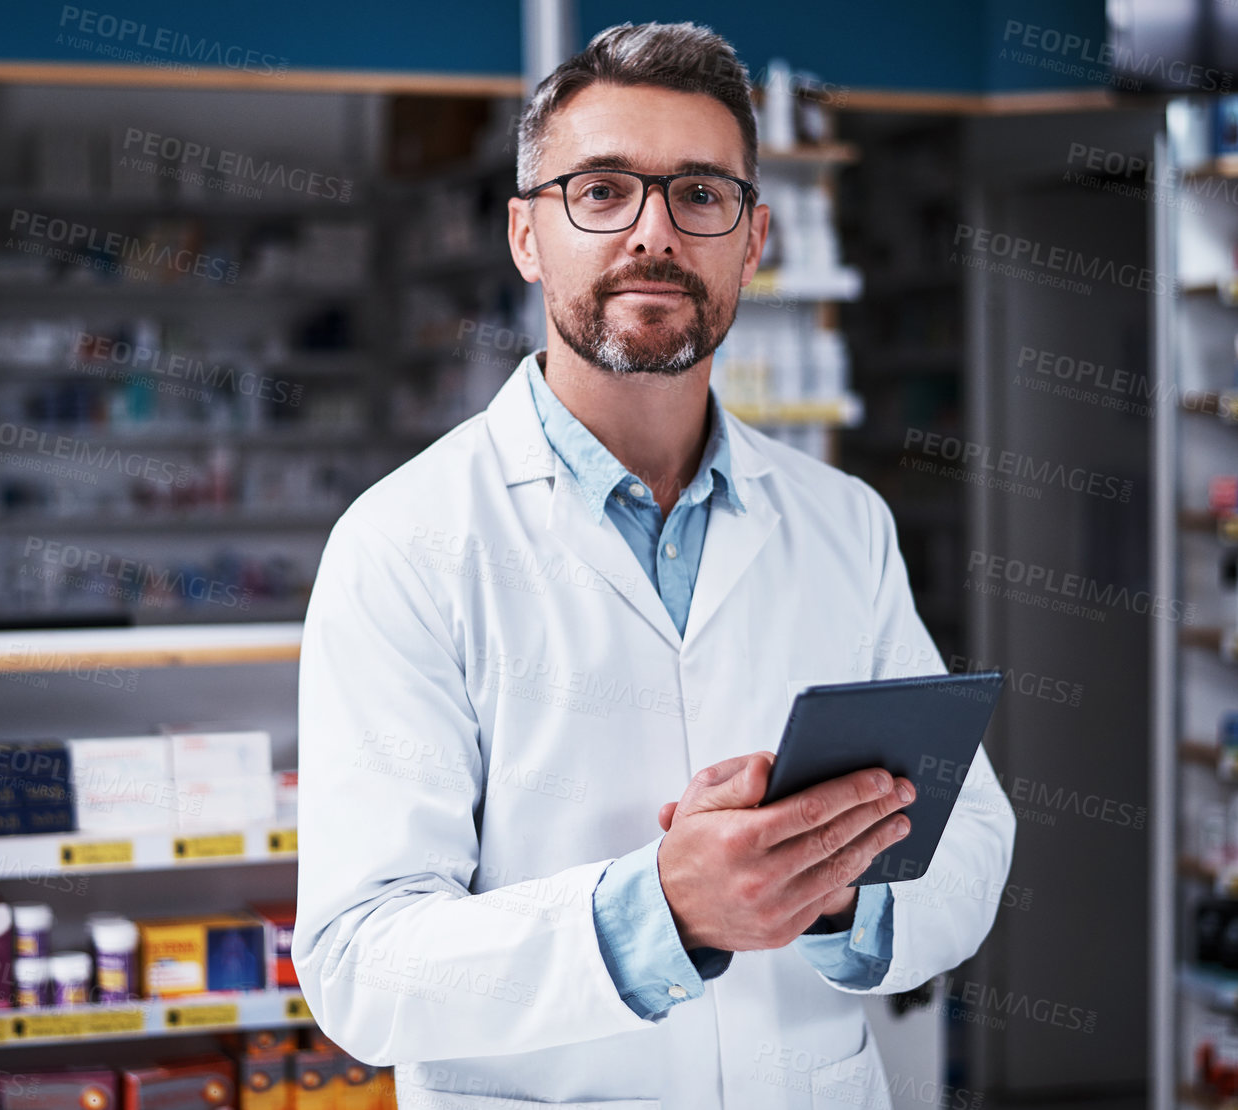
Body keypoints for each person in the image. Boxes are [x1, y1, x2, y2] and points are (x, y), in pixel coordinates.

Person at [296, 21, 1016, 1108]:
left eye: (700, 195)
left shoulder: (844, 523)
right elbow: (359, 963)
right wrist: (658, 913)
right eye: (599, 191)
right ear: (527, 236)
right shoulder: (403, 543)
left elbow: (969, 842)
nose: (652, 233)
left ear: (753, 238)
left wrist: (826, 894)